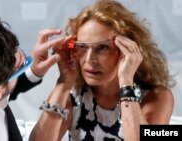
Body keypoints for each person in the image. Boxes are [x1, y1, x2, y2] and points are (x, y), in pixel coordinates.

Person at [29, 0, 175, 141]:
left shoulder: (158, 96)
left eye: (102, 47)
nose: (89, 59)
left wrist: (126, 81)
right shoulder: (73, 95)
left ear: (128, 50)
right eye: (82, 47)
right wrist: (63, 83)